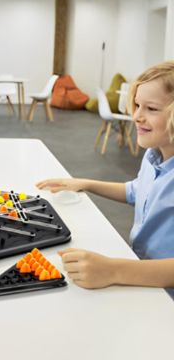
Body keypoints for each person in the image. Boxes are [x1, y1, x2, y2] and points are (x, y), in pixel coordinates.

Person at [36, 61, 174, 298]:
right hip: (140, 272)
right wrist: (87, 183)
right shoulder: (153, 157)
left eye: (151, 109)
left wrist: (113, 270)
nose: (138, 116)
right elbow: (135, 191)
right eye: (137, 105)